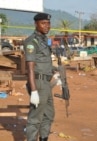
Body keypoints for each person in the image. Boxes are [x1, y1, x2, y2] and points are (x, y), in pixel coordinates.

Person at [24, 13, 58, 141]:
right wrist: (33, 91)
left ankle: (44, 138)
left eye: (48, 23)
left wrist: (55, 72)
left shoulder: (43, 40)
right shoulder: (31, 42)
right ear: (35, 24)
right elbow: (30, 68)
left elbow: (44, 62)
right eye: (43, 23)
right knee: (35, 117)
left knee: (48, 114)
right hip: (38, 83)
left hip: (46, 83)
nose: (47, 26)